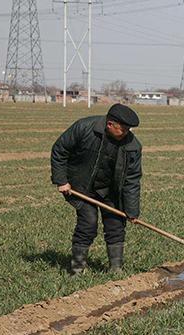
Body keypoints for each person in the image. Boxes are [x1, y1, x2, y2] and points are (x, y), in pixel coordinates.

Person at [51, 104, 143, 275]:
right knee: (88, 224)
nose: (127, 133)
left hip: (111, 190)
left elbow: (132, 180)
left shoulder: (133, 146)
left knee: (116, 226)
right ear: (110, 124)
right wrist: (61, 180)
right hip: (82, 187)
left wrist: (132, 211)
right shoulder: (84, 128)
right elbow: (60, 150)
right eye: (123, 129)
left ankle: (116, 269)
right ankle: (77, 269)